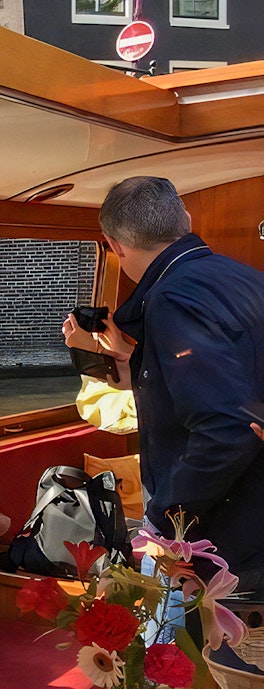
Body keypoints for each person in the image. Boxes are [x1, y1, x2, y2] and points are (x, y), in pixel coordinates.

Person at [63, 177, 264, 596]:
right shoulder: (245, 279)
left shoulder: (172, 300)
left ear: (113, 245)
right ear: (185, 221)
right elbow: (228, 384)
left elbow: (227, 427)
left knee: (207, 656)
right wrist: (128, 363)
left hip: (231, 537)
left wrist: (165, 514)